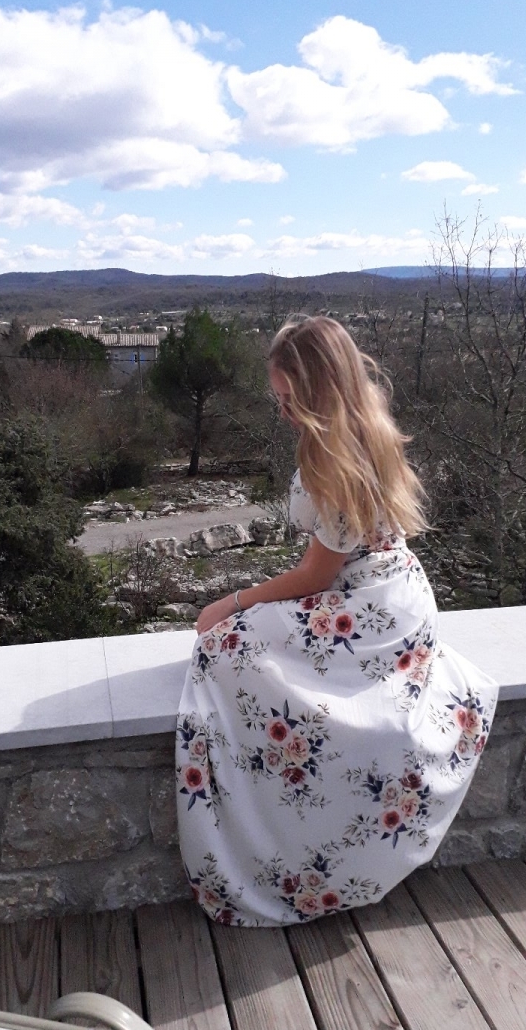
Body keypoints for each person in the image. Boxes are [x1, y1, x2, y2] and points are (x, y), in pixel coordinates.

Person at [176, 316, 498, 927]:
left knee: (222, 650)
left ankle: (272, 846)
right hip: (397, 594)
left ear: (319, 391)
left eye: (289, 399)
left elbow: (315, 576)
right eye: (278, 399)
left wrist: (233, 603)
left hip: (366, 605)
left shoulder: (333, 454)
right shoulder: (368, 425)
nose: (282, 412)